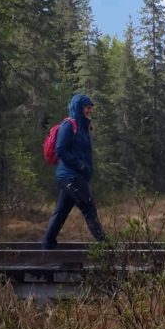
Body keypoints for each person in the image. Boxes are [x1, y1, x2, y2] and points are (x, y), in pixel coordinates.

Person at [41, 94, 108, 249]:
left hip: (74, 177)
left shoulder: (83, 127)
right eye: (87, 107)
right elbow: (60, 150)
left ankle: (47, 245)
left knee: (61, 212)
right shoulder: (69, 125)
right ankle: (107, 249)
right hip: (70, 177)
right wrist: (80, 165)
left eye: (90, 108)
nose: (89, 111)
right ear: (79, 108)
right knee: (89, 209)